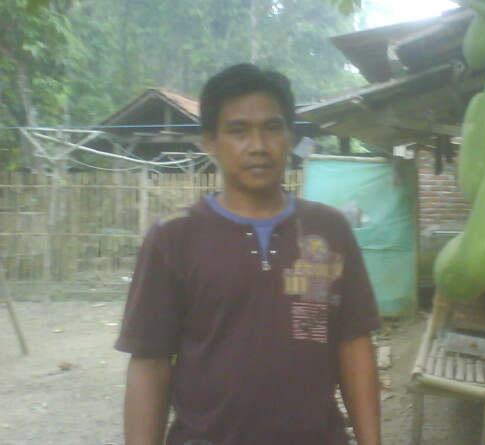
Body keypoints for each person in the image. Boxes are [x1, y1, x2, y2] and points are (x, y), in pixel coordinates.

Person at [115, 63, 382, 445]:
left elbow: (353, 344)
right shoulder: (173, 237)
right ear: (210, 141)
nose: (258, 145)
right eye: (238, 130)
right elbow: (150, 363)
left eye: (272, 128)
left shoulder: (330, 231)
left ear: (290, 137)